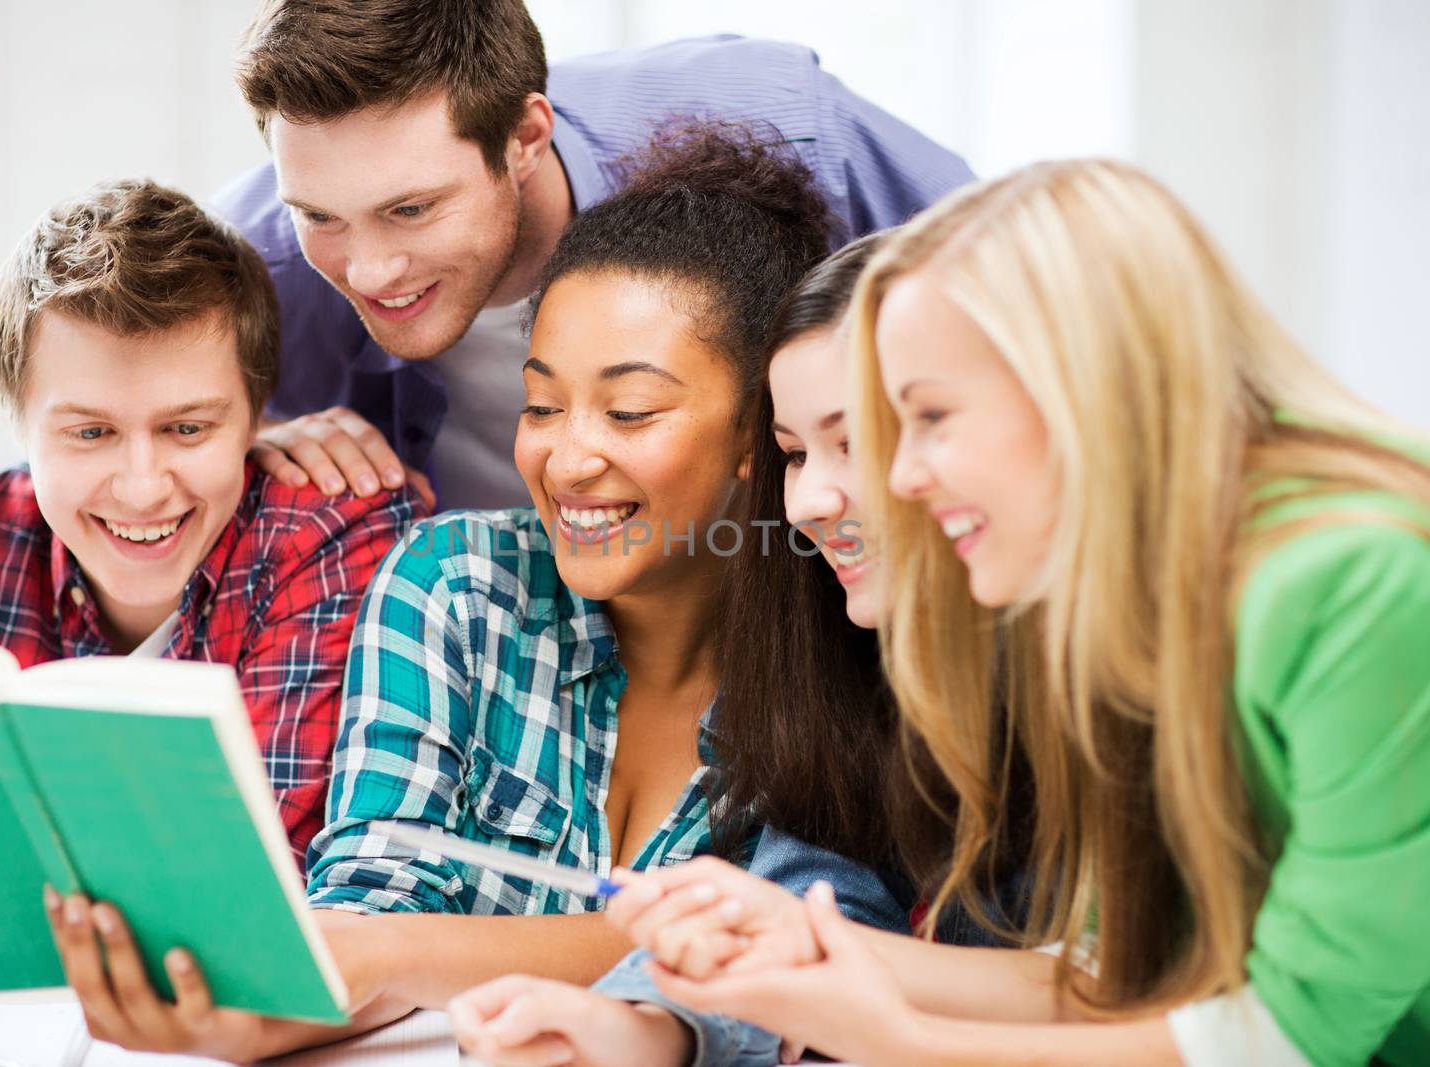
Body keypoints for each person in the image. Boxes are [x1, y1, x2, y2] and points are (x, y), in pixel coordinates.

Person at [580, 160, 1430, 1067]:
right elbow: (1114, 974)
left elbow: (1297, 1036)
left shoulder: (1352, 583)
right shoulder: (1116, 604)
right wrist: (811, 944)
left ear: (1080, 387)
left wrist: (898, 1038)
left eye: (928, 418)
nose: (904, 477)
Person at [41, 122, 842, 1061]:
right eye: (541, 405)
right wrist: (248, 1015)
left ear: (761, 429)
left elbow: (786, 946)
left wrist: (391, 955)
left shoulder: (838, 653)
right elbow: (369, 907)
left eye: (628, 411)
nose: (567, 457)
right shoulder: (454, 586)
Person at [446, 238, 1032, 1067]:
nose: (810, 502)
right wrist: (640, 1029)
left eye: (856, 441)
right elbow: (823, 897)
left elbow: (1168, 1005)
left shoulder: (1155, 671)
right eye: (797, 453)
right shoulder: (870, 663)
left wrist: (886, 1017)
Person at [0, 179, 422, 963]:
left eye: (187, 427)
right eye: (90, 432)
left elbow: (246, 896)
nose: (142, 486)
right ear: (18, 424)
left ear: (259, 415)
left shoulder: (323, 539)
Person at [220, 0, 974, 511]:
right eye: (320, 216)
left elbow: (1030, 310)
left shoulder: (781, 126)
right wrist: (233, 439)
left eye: (411, 210)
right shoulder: (252, 265)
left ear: (524, 139)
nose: (369, 270)